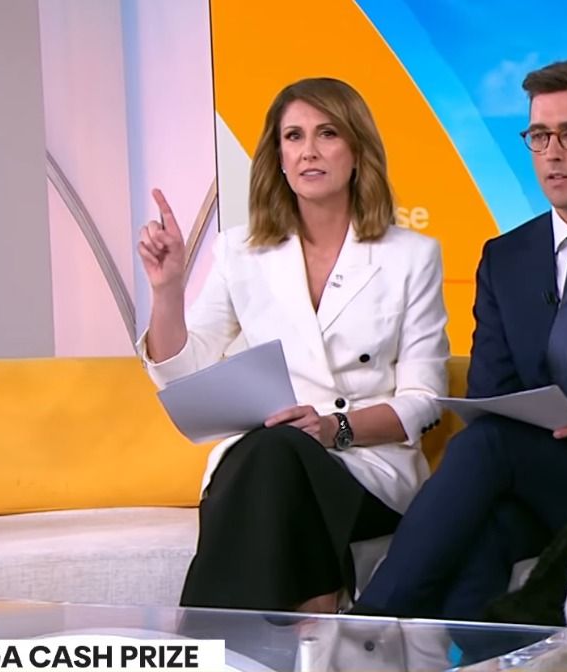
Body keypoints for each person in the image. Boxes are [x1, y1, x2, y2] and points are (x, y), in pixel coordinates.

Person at [349, 59, 567, 625]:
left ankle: (367, 628)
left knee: (486, 448)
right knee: (482, 534)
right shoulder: (506, 258)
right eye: (539, 136)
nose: (553, 153)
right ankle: (469, 657)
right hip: (539, 469)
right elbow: (490, 393)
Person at [134, 77, 451, 614]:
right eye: (294, 136)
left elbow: (425, 401)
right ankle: (315, 616)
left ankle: (213, 642)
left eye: (327, 133)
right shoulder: (239, 251)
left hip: (364, 467)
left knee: (275, 458)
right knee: (275, 455)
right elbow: (184, 375)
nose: (308, 151)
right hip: (268, 462)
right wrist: (167, 291)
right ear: (278, 157)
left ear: (357, 150)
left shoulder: (411, 256)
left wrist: (333, 428)